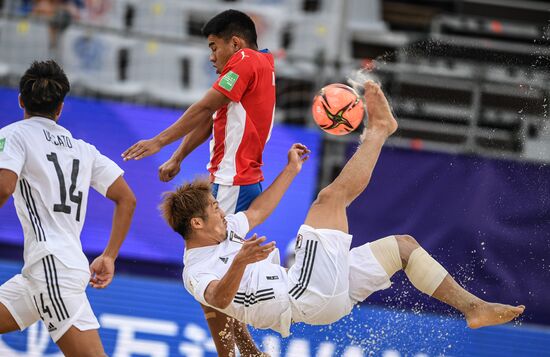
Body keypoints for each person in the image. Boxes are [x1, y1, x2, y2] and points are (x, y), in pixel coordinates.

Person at [160, 81, 525, 342]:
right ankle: (380, 129)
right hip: (300, 295)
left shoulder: (227, 232)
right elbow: (219, 301)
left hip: (316, 296)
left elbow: (256, 211)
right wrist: (240, 261)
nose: (223, 213)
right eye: (214, 210)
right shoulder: (195, 270)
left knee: (402, 247)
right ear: (196, 223)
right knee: (330, 200)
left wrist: (290, 170)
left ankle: (473, 307)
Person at [122, 9, 277, 355]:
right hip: (237, 179)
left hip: (232, 181)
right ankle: (250, 352)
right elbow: (215, 116)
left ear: (234, 43)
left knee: (206, 277)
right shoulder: (261, 63)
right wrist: (178, 156)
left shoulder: (244, 62)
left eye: (213, 47)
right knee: (213, 278)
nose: (211, 57)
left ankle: (244, 353)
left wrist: (160, 142)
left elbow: (205, 106)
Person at [0, 60, 136, 357]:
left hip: (51, 266)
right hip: (55, 268)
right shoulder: (83, 149)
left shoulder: (15, 134)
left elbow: (4, 186)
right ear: (60, 108)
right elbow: (127, 199)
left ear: (21, 100)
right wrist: (110, 256)